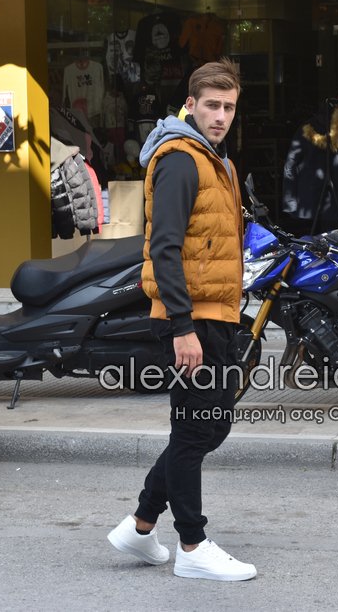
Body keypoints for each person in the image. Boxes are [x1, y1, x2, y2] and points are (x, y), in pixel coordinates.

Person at [106, 58, 255, 582]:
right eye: (212, 105)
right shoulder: (179, 160)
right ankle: (192, 544)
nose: (221, 116)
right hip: (191, 319)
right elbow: (164, 248)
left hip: (219, 314)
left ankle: (141, 524)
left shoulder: (219, 162)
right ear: (190, 105)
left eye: (229, 107)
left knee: (210, 425)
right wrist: (182, 327)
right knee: (194, 430)